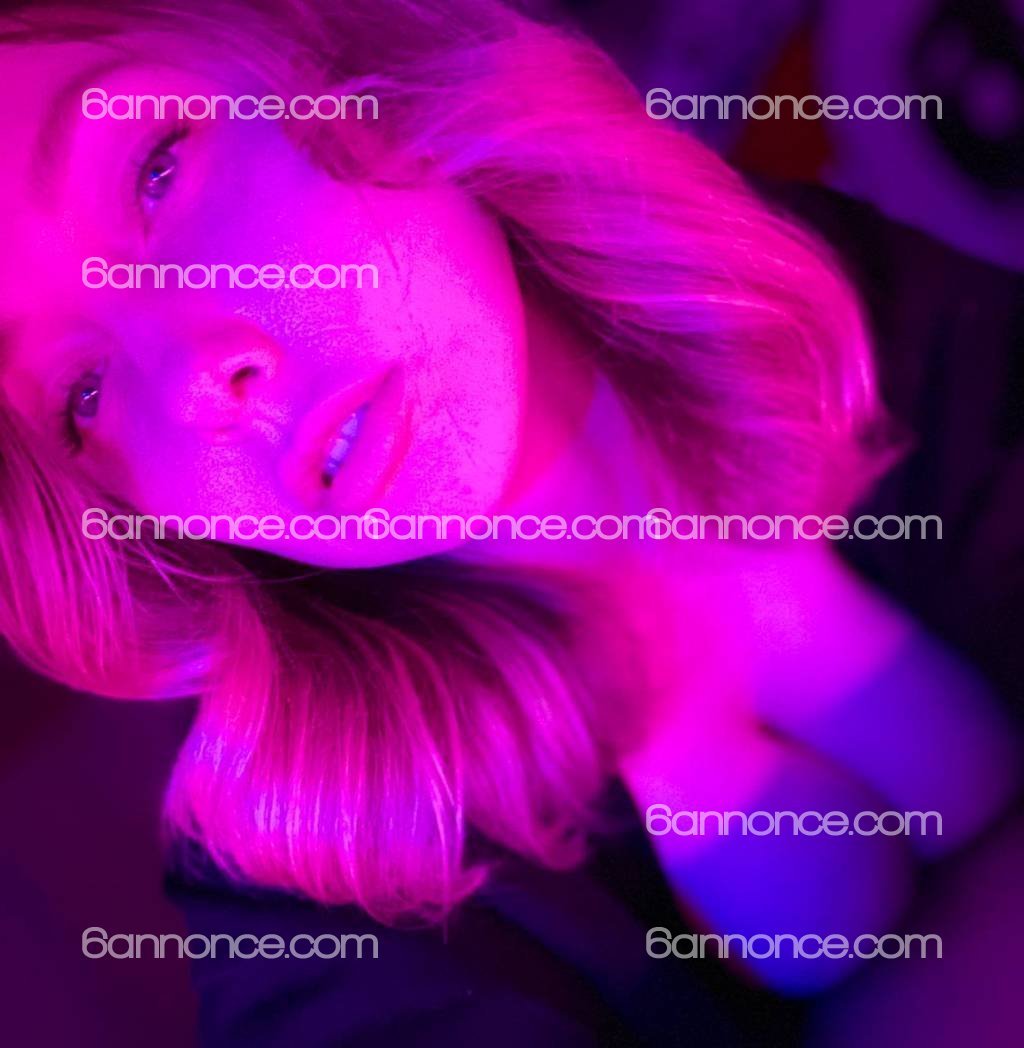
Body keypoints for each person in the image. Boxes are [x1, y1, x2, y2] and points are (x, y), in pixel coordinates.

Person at [0, 1, 1017, 1043]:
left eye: (157, 170)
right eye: (82, 394)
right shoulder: (296, 865)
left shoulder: (785, 289)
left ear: (331, 52)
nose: (195, 379)